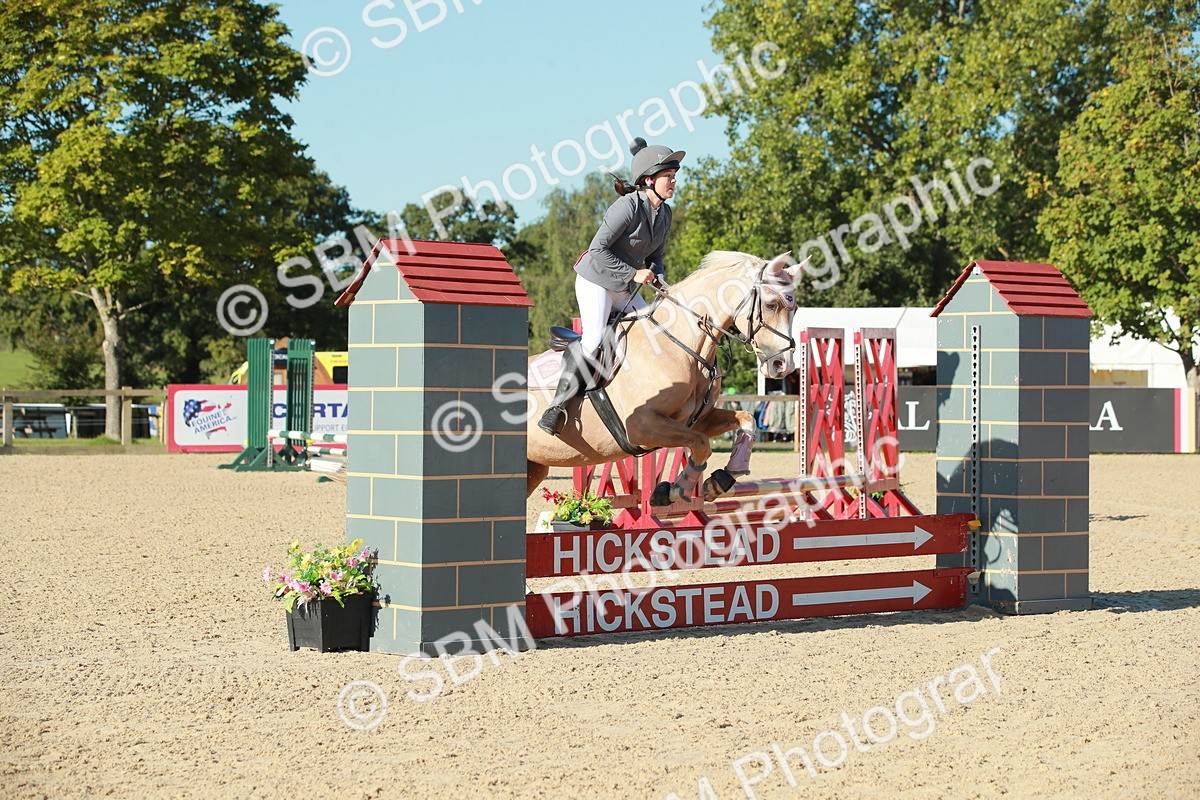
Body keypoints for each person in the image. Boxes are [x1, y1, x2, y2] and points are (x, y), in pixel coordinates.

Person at [538, 137, 685, 436]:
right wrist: (634, 274)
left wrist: (658, 278)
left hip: (624, 284)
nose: (673, 182)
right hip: (596, 279)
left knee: (652, 334)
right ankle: (556, 408)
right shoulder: (627, 206)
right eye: (668, 177)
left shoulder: (665, 214)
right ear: (649, 179)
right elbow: (598, 250)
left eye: (674, 177)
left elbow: (656, 257)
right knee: (593, 340)